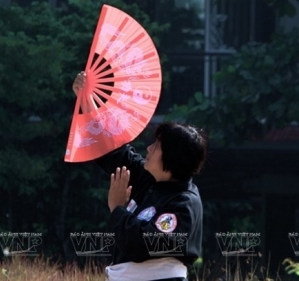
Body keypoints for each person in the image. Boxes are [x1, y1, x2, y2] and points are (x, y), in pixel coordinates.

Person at [72, 71, 208, 281]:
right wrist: (86, 99)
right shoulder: (149, 179)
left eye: (157, 146)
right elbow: (111, 148)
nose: (149, 148)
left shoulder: (184, 202)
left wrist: (117, 209)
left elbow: (142, 245)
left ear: (171, 158)